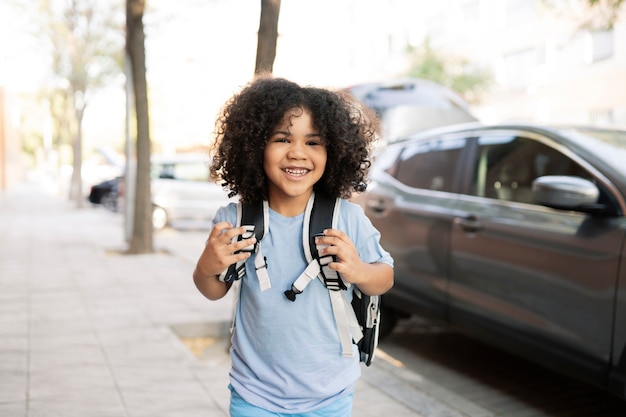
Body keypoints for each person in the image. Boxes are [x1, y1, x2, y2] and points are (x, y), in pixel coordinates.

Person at [193, 75, 394, 417]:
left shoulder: (347, 217)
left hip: (329, 393)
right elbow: (212, 290)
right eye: (282, 138)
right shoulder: (235, 217)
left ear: (334, 151)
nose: (297, 153)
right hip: (254, 392)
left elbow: (384, 277)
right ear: (256, 145)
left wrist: (359, 270)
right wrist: (207, 265)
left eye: (313, 142)